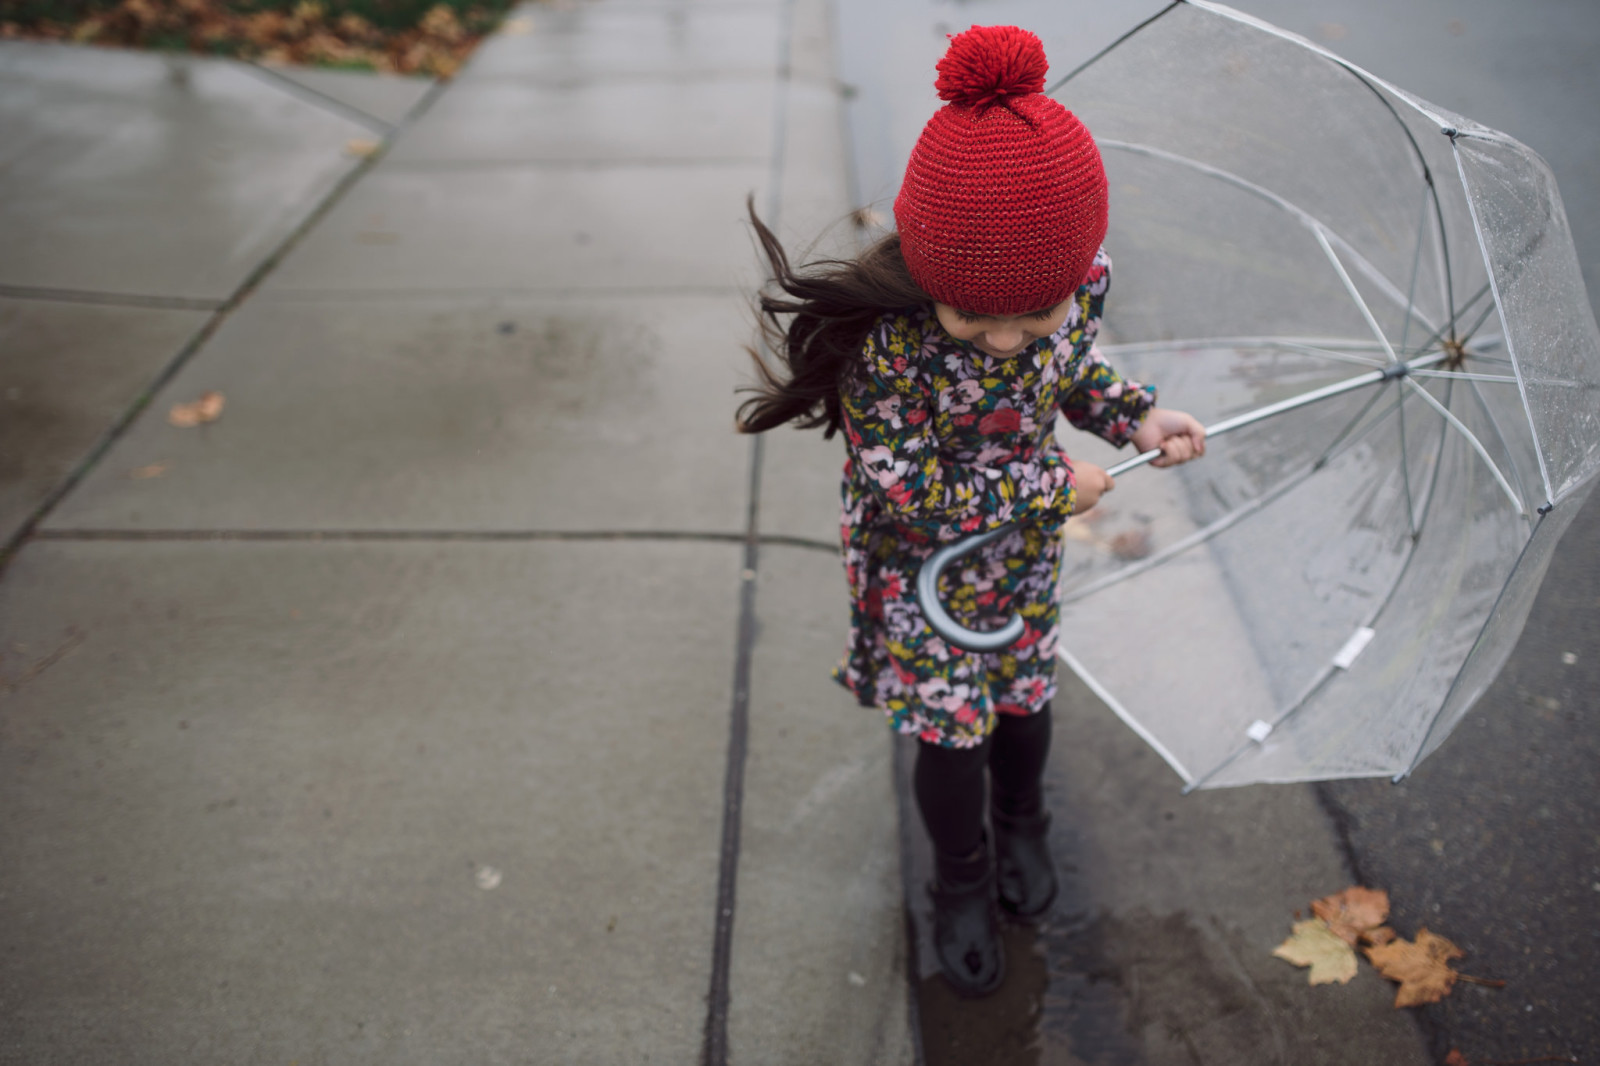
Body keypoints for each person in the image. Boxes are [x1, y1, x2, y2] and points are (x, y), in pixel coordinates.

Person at [737, 24, 1205, 997]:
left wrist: (1133, 414)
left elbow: (1071, 371)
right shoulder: (890, 351)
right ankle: (959, 874)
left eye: (1029, 318)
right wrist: (1043, 486)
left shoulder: (1072, 291)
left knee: (1024, 692)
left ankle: (1023, 817)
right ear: (925, 274)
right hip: (919, 562)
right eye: (971, 318)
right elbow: (898, 482)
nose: (1003, 341)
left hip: (1019, 553)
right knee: (951, 725)